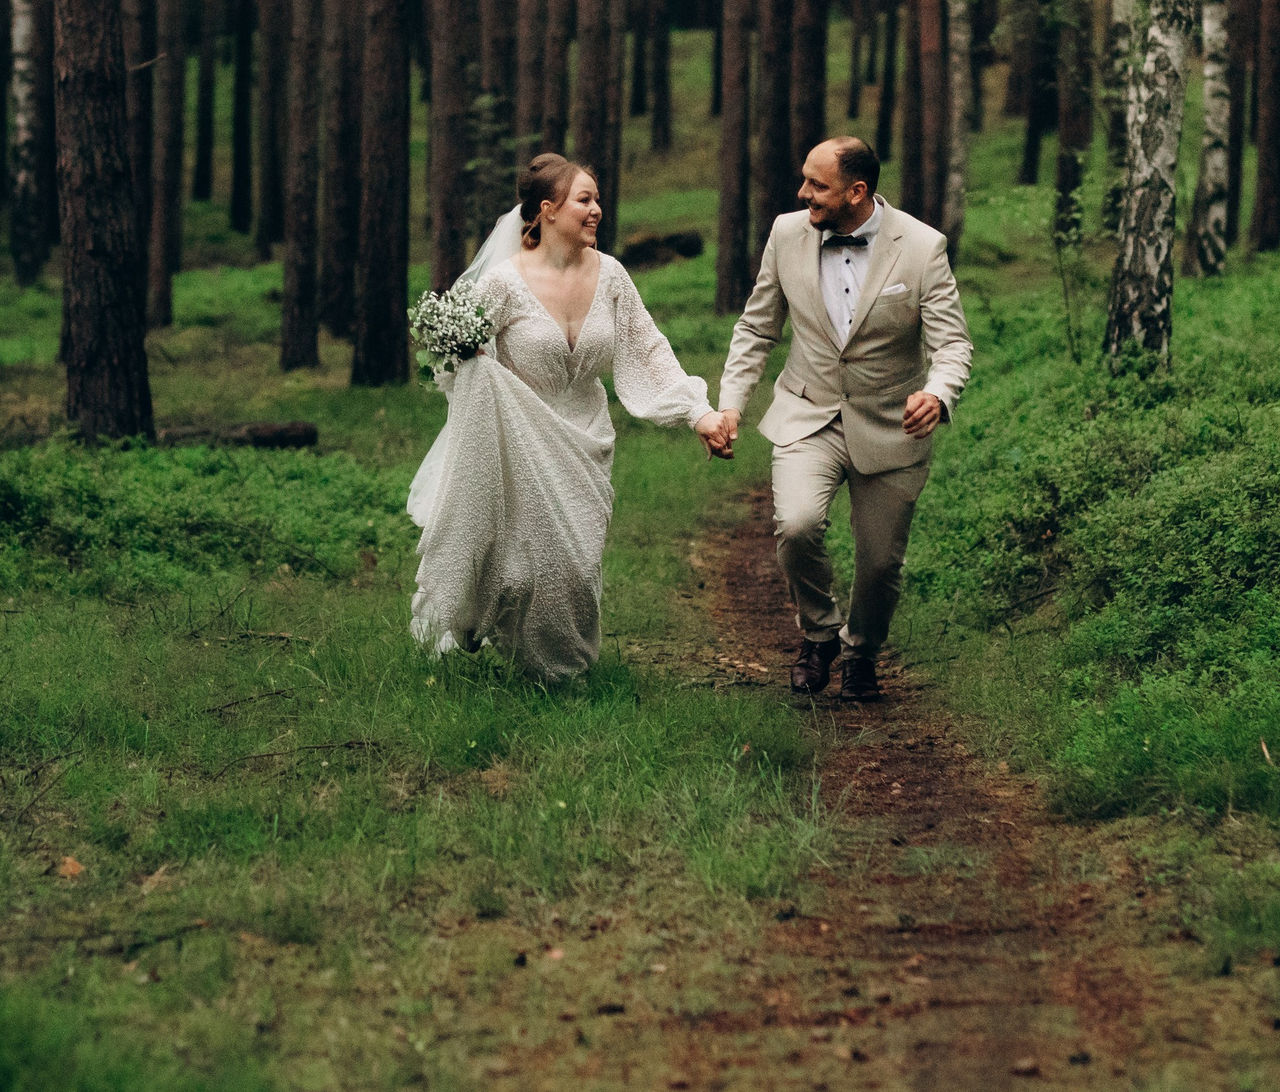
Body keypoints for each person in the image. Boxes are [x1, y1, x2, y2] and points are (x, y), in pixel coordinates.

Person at [406, 153, 732, 680]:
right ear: (548, 210)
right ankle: (526, 661)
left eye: (597, 199)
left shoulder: (613, 276)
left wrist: (698, 414)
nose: (597, 209)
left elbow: (647, 350)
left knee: (577, 570)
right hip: (518, 439)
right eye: (584, 199)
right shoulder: (503, 283)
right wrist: (473, 364)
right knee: (520, 572)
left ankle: (564, 670)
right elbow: (451, 364)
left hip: (586, 438)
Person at [712, 137, 972, 699]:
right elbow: (757, 327)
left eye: (817, 184)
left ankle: (862, 653)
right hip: (808, 413)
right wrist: (731, 403)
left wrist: (937, 393)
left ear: (857, 192)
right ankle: (820, 634)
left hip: (892, 424)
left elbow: (952, 345)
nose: (802, 193)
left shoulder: (922, 247)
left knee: (879, 565)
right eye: (805, 179)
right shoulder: (786, 234)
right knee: (797, 526)